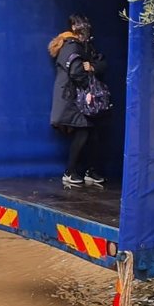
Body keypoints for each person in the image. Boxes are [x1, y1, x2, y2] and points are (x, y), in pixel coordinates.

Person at [49, 14, 106, 188]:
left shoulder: (82, 46)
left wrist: (93, 67)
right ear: (73, 27)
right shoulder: (71, 46)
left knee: (92, 133)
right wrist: (89, 86)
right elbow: (76, 71)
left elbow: (101, 62)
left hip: (75, 98)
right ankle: (70, 171)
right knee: (84, 131)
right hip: (72, 98)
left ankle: (89, 170)